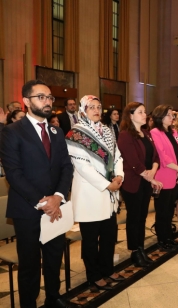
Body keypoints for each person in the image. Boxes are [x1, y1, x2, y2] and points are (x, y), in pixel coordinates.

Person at [0, 79, 76, 308]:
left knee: (54, 257)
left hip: (56, 206)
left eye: (50, 97)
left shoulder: (56, 130)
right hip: (28, 209)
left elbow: (66, 166)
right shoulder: (12, 132)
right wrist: (43, 202)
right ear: (25, 101)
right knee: (30, 263)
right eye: (41, 97)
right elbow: (13, 173)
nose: (47, 101)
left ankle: (54, 297)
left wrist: (58, 197)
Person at [66, 95, 124, 291]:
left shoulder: (107, 131)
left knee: (109, 235)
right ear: (83, 111)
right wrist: (108, 184)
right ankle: (93, 275)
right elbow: (83, 167)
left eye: (99, 107)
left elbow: (117, 156)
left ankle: (107, 269)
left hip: (109, 193)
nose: (96, 110)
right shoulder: (75, 134)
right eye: (92, 107)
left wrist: (119, 176)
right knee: (91, 240)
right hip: (90, 194)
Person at [118, 102, 162, 267]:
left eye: (144, 112)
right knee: (134, 217)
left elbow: (156, 156)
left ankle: (141, 247)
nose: (145, 115)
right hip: (133, 182)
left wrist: (154, 170)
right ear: (130, 115)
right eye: (140, 112)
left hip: (146, 181)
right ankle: (135, 251)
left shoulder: (146, 133)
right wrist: (150, 177)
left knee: (142, 216)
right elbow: (134, 162)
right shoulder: (125, 135)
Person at [150, 105, 178, 251]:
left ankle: (169, 237)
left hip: (176, 174)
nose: (172, 118)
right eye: (169, 115)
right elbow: (161, 154)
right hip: (164, 176)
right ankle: (162, 239)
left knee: (170, 209)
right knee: (163, 210)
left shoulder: (174, 132)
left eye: (172, 115)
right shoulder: (155, 132)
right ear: (160, 116)